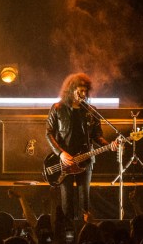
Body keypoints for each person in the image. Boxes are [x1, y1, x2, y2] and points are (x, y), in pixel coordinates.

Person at [45, 73, 118, 221]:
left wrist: (109, 145)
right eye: (80, 91)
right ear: (71, 90)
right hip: (64, 161)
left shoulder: (91, 111)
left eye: (85, 91)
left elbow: (97, 136)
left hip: (85, 160)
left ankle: (84, 230)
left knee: (84, 199)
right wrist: (60, 153)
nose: (83, 94)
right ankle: (68, 230)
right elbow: (48, 133)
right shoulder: (58, 108)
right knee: (67, 200)